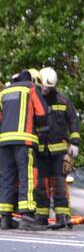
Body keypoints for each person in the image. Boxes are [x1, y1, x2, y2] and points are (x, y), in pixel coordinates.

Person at [0, 70, 50, 230]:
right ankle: (27, 217)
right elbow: (42, 113)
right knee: (27, 177)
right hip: (24, 140)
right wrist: (42, 129)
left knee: (7, 179)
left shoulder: (5, 92)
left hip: (4, 141)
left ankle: (5, 218)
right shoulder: (30, 88)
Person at [33, 66, 81, 229]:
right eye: (43, 87)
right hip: (40, 150)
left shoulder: (63, 100)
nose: (45, 90)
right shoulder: (35, 99)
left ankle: (62, 216)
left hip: (59, 151)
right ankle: (42, 216)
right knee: (41, 184)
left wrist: (75, 143)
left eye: (49, 88)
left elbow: (73, 121)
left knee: (60, 184)